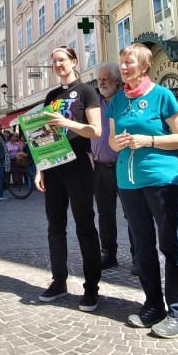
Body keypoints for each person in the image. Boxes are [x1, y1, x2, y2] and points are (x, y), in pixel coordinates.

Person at [108, 44, 178, 338]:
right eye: (121, 62)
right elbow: (111, 141)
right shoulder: (117, 100)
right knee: (142, 245)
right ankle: (153, 305)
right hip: (128, 182)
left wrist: (149, 141)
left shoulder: (162, 95)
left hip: (162, 180)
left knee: (171, 245)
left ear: (144, 67)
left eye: (129, 62)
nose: (123, 67)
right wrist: (117, 143)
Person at [35, 46, 103, 313]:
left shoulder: (86, 92)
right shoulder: (51, 96)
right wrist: (40, 168)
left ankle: (91, 288)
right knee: (55, 228)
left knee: (85, 226)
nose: (58, 65)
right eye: (54, 61)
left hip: (78, 166)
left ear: (73, 62)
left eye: (62, 60)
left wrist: (68, 123)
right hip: (53, 166)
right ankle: (59, 281)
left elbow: (95, 130)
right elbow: (42, 135)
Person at [91, 62, 127, 271]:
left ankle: (138, 256)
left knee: (133, 213)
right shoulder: (93, 104)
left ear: (117, 81)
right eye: (99, 79)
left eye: (105, 79)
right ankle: (108, 253)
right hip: (100, 168)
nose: (101, 83)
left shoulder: (126, 101)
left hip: (124, 165)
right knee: (105, 214)